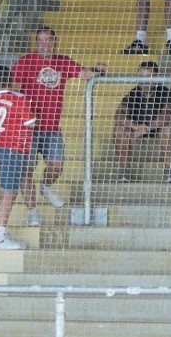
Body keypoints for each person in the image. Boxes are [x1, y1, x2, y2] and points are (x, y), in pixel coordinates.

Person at [10, 27, 104, 222]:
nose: (45, 44)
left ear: (55, 41)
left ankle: (45, 186)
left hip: (51, 128)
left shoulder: (63, 61)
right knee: (27, 170)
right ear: (36, 43)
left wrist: (98, 70)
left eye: (48, 40)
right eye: (41, 40)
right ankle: (32, 211)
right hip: (27, 128)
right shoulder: (24, 62)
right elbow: (15, 91)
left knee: (57, 165)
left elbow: (84, 74)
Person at [0, 66, 36, 249]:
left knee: (4, 191)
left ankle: (1, 232)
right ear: (12, 79)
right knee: (9, 192)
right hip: (14, 148)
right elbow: (30, 122)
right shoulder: (18, 98)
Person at [113, 58, 171, 182]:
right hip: (136, 130)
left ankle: (169, 171)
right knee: (119, 129)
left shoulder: (167, 93)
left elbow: (166, 116)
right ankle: (125, 170)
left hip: (157, 130)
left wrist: (148, 127)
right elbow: (119, 114)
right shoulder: (132, 94)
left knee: (169, 129)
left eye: (149, 77)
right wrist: (134, 125)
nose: (145, 81)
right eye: (142, 76)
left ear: (156, 77)